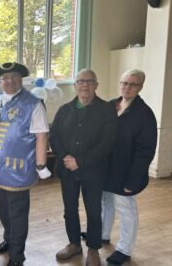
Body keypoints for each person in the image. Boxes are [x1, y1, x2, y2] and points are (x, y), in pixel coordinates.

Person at [0, 62, 49, 266]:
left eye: (14, 77)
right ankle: (9, 241)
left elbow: (42, 136)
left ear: (21, 79)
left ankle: (17, 257)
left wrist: (40, 165)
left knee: (18, 215)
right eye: (4, 78)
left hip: (19, 169)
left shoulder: (33, 103)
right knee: (3, 209)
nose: (9, 81)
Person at [49, 69, 118, 266]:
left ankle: (93, 249)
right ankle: (74, 244)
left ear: (96, 85)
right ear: (75, 85)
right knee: (70, 209)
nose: (85, 85)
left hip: (93, 171)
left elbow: (107, 143)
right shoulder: (64, 110)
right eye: (80, 81)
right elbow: (54, 136)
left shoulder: (106, 110)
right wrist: (65, 157)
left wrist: (80, 161)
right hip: (67, 170)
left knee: (94, 211)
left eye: (89, 81)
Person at [101, 69, 157, 265]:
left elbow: (146, 151)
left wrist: (133, 180)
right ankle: (103, 234)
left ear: (140, 87)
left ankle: (124, 250)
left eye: (132, 84)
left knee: (126, 208)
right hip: (105, 168)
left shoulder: (144, 114)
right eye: (124, 82)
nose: (127, 87)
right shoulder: (110, 106)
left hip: (126, 172)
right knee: (105, 202)